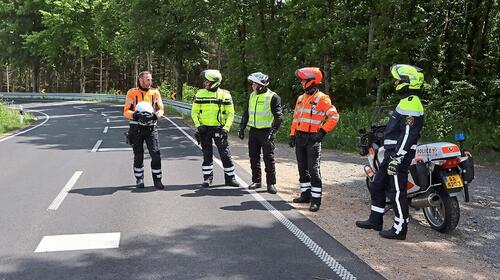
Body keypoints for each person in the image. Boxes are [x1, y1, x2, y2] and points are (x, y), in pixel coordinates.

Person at [355, 64, 425, 240]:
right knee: (377, 184)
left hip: (398, 155)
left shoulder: (411, 103)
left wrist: (397, 158)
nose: (395, 83)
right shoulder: (405, 102)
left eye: (398, 80)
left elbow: (408, 136)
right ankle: (375, 220)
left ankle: (400, 229)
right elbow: (397, 129)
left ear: (407, 82)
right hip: (391, 152)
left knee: (397, 191)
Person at [289, 67, 340, 212]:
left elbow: (334, 116)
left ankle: (316, 200)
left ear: (312, 81)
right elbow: (296, 118)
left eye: (304, 80)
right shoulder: (300, 98)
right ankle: (305, 195)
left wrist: (323, 131)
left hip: (313, 138)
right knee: (302, 167)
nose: (301, 83)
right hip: (300, 137)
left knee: (313, 169)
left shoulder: (322, 98)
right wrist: (292, 134)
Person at [191, 69, 240, 188]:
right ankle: (207, 178)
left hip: (220, 129)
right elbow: (194, 112)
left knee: (225, 154)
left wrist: (226, 129)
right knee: (207, 154)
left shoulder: (225, 95)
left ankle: (230, 178)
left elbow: (230, 114)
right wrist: (199, 126)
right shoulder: (200, 93)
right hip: (204, 130)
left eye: (207, 82)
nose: (205, 83)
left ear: (215, 83)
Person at [238, 72, 283, 194]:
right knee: (253, 157)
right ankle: (256, 181)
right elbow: (246, 113)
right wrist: (241, 128)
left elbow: (279, 117)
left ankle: (271, 183)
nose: (252, 86)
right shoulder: (252, 96)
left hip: (266, 132)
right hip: (253, 131)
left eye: (254, 84)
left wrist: (273, 132)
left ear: (261, 85)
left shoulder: (273, 97)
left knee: (268, 158)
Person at [123, 71, 165, 189]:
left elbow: (161, 109)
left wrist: (155, 116)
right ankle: (139, 179)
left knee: (156, 154)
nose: (150, 82)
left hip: (151, 128)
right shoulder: (132, 93)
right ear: (140, 80)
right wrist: (136, 115)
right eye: (147, 80)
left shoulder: (155, 92)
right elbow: (126, 111)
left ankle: (157, 180)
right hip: (136, 129)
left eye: (150, 79)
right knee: (138, 155)